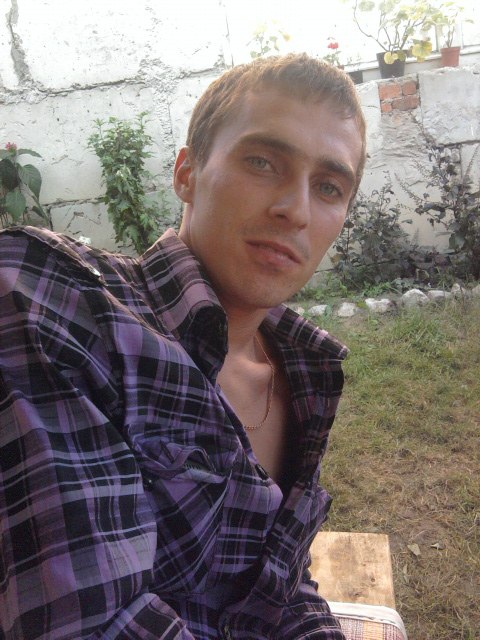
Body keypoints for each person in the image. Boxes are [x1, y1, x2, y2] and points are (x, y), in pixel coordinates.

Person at [0, 53, 366, 639]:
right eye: (262, 161)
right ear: (186, 173)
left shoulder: (303, 371)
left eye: (328, 187)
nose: (295, 210)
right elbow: (86, 623)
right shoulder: (58, 302)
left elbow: (276, 589)